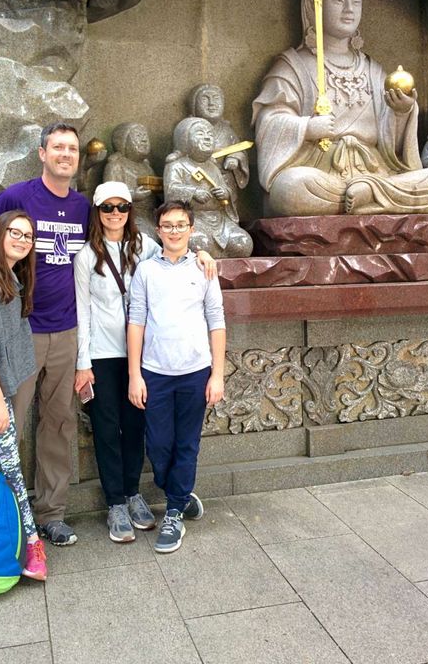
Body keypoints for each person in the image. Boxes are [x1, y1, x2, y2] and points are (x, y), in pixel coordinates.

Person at [74, 183, 218, 543]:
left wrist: (204, 254)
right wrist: (82, 362)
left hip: (143, 357)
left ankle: (138, 494)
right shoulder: (85, 256)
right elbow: (82, 311)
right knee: (107, 431)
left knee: (137, 429)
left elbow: (177, 245)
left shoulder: (144, 246)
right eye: (108, 207)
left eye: (122, 206)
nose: (115, 213)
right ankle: (115, 503)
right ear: (98, 210)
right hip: (103, 354)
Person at [253, 0, 428, 216]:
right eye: (339, 1)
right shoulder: (293, 66)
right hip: (322, 175)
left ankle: (370, 193)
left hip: (378, 170)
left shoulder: (373, 70)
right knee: (289, 190)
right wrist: (307, 128)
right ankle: (376, 201)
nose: (350, 10)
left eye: (356, 2)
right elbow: (269, 122)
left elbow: (393, 149)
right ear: (316, 6)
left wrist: (402, 111)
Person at [0, 122, 90, 546]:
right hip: (17, 332)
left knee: (58, 424)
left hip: (66, 331)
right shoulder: (16, 197)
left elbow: (121, 241)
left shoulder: (82, 208)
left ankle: (51, 513)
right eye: (57, 147)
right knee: (5, 426)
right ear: (41, 153)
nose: (65, 154)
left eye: (72, 149)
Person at [128, 200, 226, 554]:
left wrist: (218, 374)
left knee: (187, 443)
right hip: (155, 372)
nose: (173, 230)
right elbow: (136, 320)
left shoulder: (204, 269)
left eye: (180, 224)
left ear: (191, 229)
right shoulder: (146, 271)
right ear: (158, 230)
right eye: (167, 225)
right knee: (158, 445)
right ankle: (180, 493)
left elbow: (216, 320)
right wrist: (133, 375)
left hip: (194, 372)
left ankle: (173, 512)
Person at [0, 211, 47, 580]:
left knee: (10, 470)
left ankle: (25, 544)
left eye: (28, 236)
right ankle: (32, 547)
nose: (22, 240)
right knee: (11, 472)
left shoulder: (9, 276)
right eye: (15, 233)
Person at [164, 117, 253, 257]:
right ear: (184, 139)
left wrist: (225, 193)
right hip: (193, 219)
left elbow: (226, 190)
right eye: (200, 134)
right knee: (199, 244)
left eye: (210, 135)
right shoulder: (177, 165)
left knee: (243, 244)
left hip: (219, 220)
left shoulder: (213, 167)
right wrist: (193, 192)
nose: (207, 138)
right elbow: (170, 191)